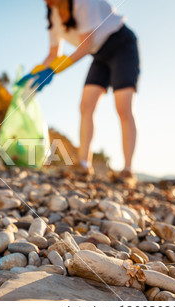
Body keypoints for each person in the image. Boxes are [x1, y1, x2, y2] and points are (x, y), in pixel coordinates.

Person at [19, 0, 140, 183]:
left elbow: (86, 45)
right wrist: (33, 74)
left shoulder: (83, 2)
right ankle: (84, 164)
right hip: (99, 54)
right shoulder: (53, 14)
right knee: (86, 106)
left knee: (123, 107)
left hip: (121, 45)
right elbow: (53, 54)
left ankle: (128, 170)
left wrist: (53, 70)